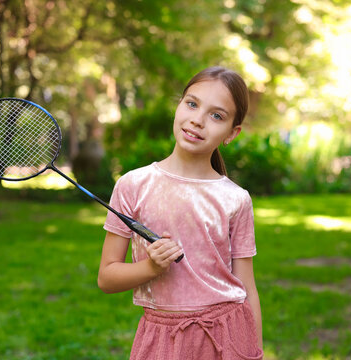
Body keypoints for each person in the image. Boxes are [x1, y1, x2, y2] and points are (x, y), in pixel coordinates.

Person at [98, 66, 263, 360]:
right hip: (162, 338)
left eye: (217, 116)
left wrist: (255, 351)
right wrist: (150, 267)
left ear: (232, 133)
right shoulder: (133, 185)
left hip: (227, 336)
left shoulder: (236, 199)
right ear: (178, 106)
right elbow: (107, 278)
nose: (197, 120)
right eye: (192, 103)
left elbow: (246, 286)